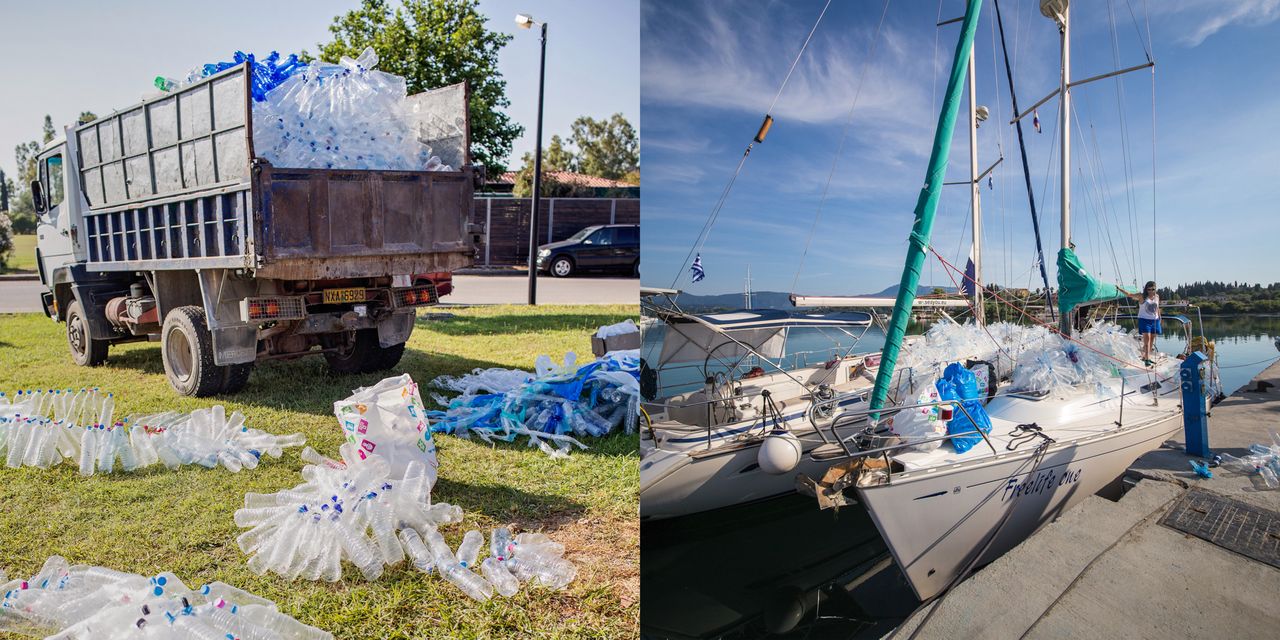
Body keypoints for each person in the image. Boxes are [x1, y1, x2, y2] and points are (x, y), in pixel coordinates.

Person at [1125, 281, 1161, 366]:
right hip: (1144, 320)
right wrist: (1119, 289)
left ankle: (1146, 356)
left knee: (1152, 339)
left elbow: (1157, 307)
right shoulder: (1142, 296)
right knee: (1147, 339)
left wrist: (1159, 317)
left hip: (1155, 320)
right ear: (1146, 289)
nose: (1151, 291)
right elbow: (1129, 294)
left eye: (1153, 289)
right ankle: (1147, 359)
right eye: (1149, 289)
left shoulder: (1157, 296)